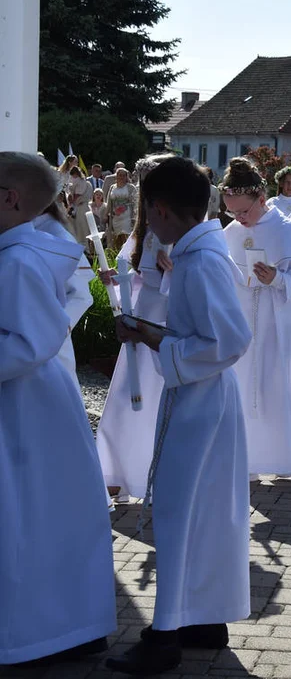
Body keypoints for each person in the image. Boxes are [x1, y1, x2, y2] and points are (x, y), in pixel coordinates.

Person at [103, 156, 253, 675]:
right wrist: (149, 333)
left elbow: (229, 340)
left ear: (159, 209)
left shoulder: (200, 260)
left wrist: (156, 341)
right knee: (202, 509)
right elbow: (201, 334)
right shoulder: (196, 251)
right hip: (203, 394)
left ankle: (164, 633)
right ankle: (202, 617)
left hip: (201, 399)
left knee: (175, 508)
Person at [0, 151, 115, 666]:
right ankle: (63, 624)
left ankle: (49, 630)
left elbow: (30, 339)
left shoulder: (21, 258)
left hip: (25, 403)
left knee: (31, 515)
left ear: (10, 198)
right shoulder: (23, 250)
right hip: (32, 399)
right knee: (42, 514)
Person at [220, 157, 291, 478]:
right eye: (233, 212)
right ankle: (248, 458)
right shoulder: (232, 230)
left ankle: (281, 455)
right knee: (241, 386)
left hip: (276, 319)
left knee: (273, 387)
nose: (239, 218)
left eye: (244, 211)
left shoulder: (284, 229)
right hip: (241, 322)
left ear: (261, 199)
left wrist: (278, 279)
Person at [96, 154, 176, 502]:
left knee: (156, 398)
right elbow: (135, 276)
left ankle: (153, 475)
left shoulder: (180, 227)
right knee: (126, 399)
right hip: (140, 317)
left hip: (166, 323)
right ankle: (119, 472)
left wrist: (173, 271)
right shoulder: (142, 229)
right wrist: (115, 279)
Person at [31, 199, 93, 385]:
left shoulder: (57, 235)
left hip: (47, 344)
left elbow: (81, 296)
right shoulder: (20, 230)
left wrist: (49, 330)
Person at [105, 167, 138, 251]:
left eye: (123, 175)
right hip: (115, 216)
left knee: (126, 235)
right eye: (119, 175)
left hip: (127, 215)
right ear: (116, 176)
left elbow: (135, 200)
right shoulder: (112, 187)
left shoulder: (131, 187)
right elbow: (109, 201)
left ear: (126, 176)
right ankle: (117, 254)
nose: (121, 177)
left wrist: (125, 206)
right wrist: (107, 213)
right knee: (116, 237)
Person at [68, 166, 93, 250]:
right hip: (75, 208)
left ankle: (87, 247)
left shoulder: (85, 183)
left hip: (83, 208)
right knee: (77, 229)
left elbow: (82, 195)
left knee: (84, 228)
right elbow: (71, 196)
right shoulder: (72, 183)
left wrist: (76, 198)